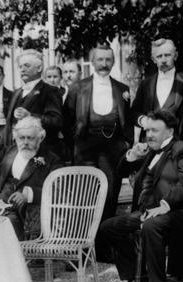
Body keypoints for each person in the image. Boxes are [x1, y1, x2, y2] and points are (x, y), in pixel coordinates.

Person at [96, 109, 183, 282]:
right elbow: (120, 171)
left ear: (170, 131)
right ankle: (135, 277)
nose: (149, 135)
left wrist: (165, 205)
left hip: (179, 212)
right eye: (147, 130)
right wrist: (132, 155)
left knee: (151, 225)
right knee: (109, 227)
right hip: (149, 211)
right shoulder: (150, 152)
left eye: (155, 130)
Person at [64, 44, 132, 220]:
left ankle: (105, 243)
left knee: (109, 197)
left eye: (108, 59)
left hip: (113, 151)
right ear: (92, 62)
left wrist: (125, 145)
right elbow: (67, 120)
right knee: (85, 198)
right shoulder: (78, 88)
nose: (104, 64)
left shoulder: (122, 89)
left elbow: (128, 121)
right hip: (85, 150)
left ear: (113, 61)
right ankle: (87, 243)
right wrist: (76, 143)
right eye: (100, 59)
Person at [0, 116, 63, 240]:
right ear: (15, 137)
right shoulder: (7, 152)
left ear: (41, 138)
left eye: (30, 138)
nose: (25, 142)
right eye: (21, 138)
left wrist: (29, 195)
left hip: (23, 214)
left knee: (5, 226)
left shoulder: (52, 160)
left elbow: (59, 191)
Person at [0, 50, 65, 161]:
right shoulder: (16, 93)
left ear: (39, 68)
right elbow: (8, 126)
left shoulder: (50, 91)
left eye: (27, 66)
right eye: (20, 67)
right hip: (14, 155)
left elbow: (56, 121)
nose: (22, 70)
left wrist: (31, 116)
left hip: (41, 154)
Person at [130, 39, 183, 144]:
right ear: (153, 59)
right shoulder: (145, 84)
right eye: (159, 56)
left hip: (176, 145)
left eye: (167, 55)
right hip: (149, 144)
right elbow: (133, 113)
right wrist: (142, 120)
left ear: (175, 56)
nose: (163, 60)